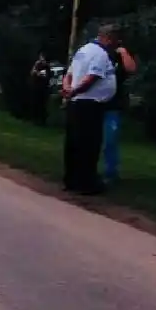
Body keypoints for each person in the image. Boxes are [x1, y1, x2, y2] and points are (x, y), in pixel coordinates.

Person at [60, 27, 118, 195]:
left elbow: (68, 74)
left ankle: (71, 179)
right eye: (115, 39)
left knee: (73, 143)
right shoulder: (100, 54)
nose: (116, 44)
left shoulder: (82, 50)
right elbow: (92, 78)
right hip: (90, 105)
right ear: (108, 38)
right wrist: (74, 91)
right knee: (89, 145)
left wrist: (67, 89)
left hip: (76, 103)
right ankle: (86, 183)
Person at [101, 34, 137, 183]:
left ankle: (110, 173)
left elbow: (131, 69)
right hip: (95, 102)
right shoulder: (99, 54)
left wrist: (123, 52)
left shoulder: (119, 56)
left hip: (113, 104)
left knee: (110, 140)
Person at [30, 53, 51, 125]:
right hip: (36, 87)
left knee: (43, 105)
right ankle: (35, 119)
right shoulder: (37, 65)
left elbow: (45, 76)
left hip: (43, 88)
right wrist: (35, 70)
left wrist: (38, 73)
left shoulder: (46, 66)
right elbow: (32, 73)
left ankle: (43, 121)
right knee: (35, 103)